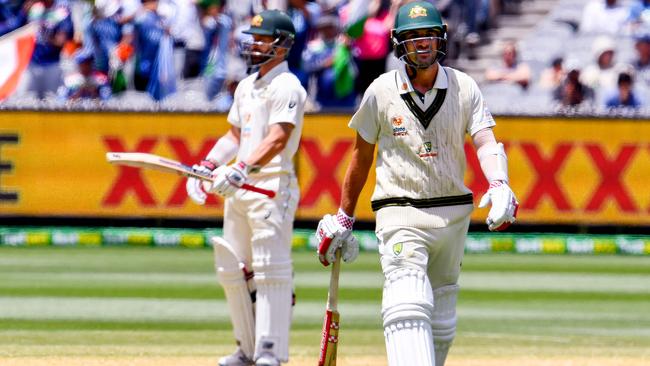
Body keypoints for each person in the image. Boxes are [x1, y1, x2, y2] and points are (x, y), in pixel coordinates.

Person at [314, 2, 518, 366]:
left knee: (441, 321)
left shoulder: (464, 86)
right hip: (400, 213)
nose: (422, 43)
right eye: (412, 37)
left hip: (453, 216)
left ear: (441, 39)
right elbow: (360, 159)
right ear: (399, 43)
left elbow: (486, 141)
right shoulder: (380, 90)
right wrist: (345, 217)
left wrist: (500, 183)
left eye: (428, 35)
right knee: (406, 305)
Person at [185, 9, 306, 366]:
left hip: (271, 186)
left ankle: (271, 351)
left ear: (281, 45)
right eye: (252, 38)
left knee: (270, 269)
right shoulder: (246, 86)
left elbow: (278, 138)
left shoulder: (288, 87)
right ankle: (247, 348)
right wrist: (208, 164)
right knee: (234, 269)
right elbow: (234, 135)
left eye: (261, 38)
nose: (253, 44)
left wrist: (240, 168)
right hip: (240, 187)